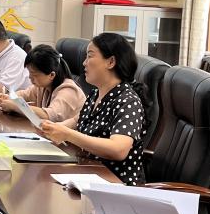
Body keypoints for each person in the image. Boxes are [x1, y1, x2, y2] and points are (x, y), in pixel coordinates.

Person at [38, 33, 146, 185]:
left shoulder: (128, 101)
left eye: (90, 56)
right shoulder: (96, 93)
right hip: (89, 173)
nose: (84, 63)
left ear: (111, 62)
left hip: (116, 183)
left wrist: (67, 134)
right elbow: (77, 120)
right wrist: (54, 128)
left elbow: (118, 150)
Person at [0, 44, 86, 121]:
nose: (30, 77)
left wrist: (16, 106)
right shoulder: (42, 85)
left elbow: (50, 115)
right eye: (29, 73)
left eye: (34, 74)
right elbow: (24, 94)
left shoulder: (69, 90)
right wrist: (8, 97)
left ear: (51, 75)